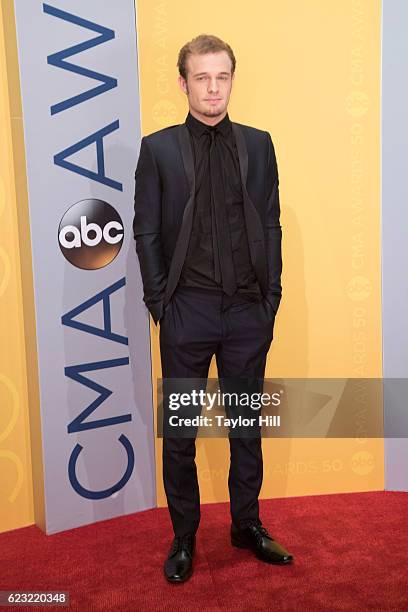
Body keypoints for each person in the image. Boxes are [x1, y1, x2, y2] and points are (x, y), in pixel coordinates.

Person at [133, 33, 293, 583]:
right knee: (181, 432)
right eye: (201, 77)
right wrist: (162, 305)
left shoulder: (258, 144)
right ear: (183, 83)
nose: (212, 88)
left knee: (246, 425)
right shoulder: (156, 150)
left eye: (222, 76)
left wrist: (270, 298)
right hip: (187, 313)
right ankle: (184, 536)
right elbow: (147, 231)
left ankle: (247, 524)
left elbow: (269, 224)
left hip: (248, 313)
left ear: (231, 79)